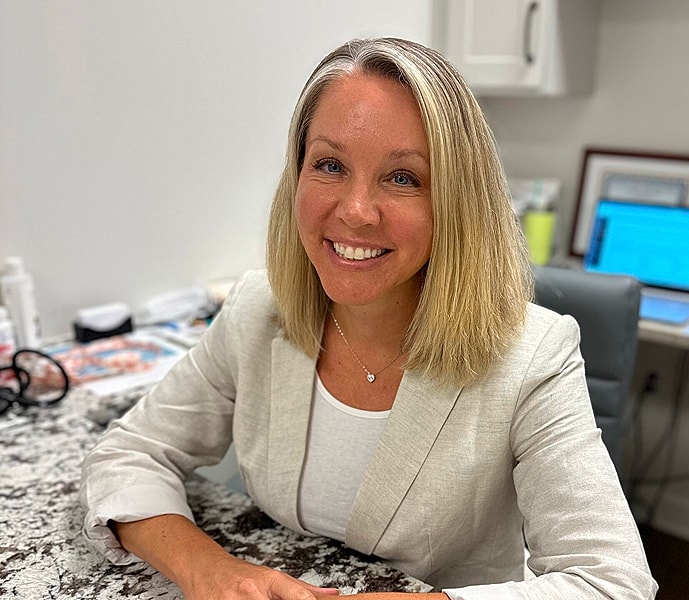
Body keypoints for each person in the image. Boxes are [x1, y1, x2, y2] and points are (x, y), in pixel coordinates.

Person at [80, 37, 658, 599]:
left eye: (402, 177)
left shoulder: (533, 354)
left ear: (455, 202)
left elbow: (612, 581)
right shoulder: (258, 310)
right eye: (329, 165)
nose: (355, 212)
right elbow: (129, 452)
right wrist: (209, 569)